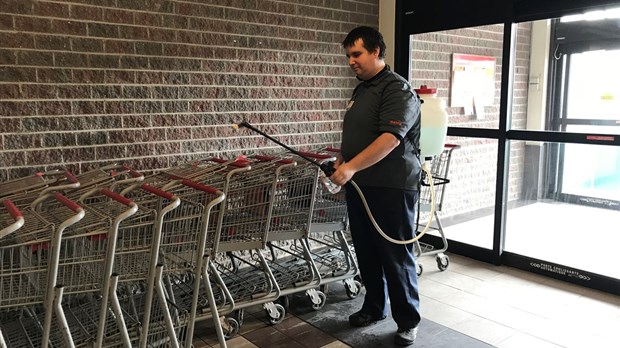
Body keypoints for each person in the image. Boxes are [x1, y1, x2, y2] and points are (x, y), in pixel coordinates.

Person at [329, 26, 422, 347]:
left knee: (395, 255)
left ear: (376, 52)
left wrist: (352, 167)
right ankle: (374, 307)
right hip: (361, 186)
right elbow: (354, 137)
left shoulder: (398, 90)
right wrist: (345, 165)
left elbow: (390, 139)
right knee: (367, 252)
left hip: (393, 187)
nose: (351, 61)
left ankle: (408, 320)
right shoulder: (361, 90)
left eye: (356, 54)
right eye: (348, 56)